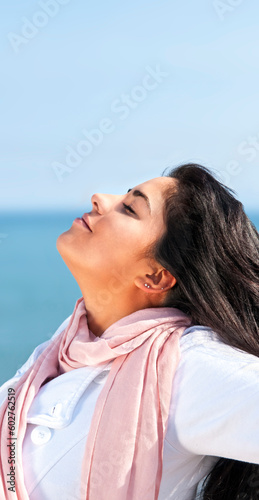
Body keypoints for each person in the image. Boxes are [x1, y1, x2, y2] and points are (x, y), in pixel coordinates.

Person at [0, 163, 258, 500]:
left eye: (129, 208)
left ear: (155, 277)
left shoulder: (183, 366)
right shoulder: (65, 346)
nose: (98, 198)